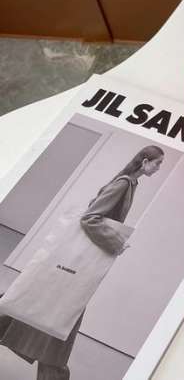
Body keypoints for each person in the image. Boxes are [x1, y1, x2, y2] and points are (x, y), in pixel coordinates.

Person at [0, 144, 165, 380]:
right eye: (158, 163)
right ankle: (54, 370)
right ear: (145, 161)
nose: (158, 168)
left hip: (73, 267)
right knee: (59, 320)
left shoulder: (130, 183)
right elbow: (90, 218)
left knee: (42, 312)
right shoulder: (123, 184)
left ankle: (53, 369)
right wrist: (116, 242)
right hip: (75, 268)